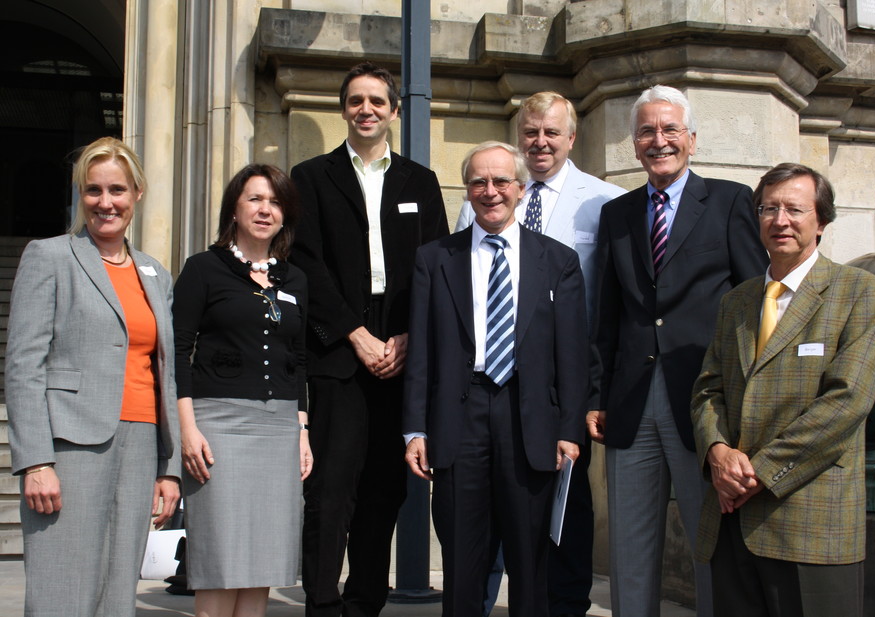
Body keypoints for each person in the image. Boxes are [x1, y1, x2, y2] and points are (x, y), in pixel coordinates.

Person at [586, 85, 769, 617]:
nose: (658, 140)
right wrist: (596, 394)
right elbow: (608, 314)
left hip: (705, 401)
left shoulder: (731, 200)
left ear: (692, 139)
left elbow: (755, 301)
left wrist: (745, 398)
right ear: (635, 144)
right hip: (631, 399)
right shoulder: (617, 214)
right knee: (630, 544)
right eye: (647, 131)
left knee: (710, 540)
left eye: (669, 130)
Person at [691, 163, 875, 617]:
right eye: (769, 208)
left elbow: (847, 402)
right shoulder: (737, 301)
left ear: (821, 221)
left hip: (810, 521)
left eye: (795, 209)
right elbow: (708, 389)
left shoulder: (861, 293)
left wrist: (757, 473)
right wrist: (718, 453)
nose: (780, 220)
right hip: (731, 521)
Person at [456, 91, 625, 617]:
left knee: (565, 514)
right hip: (492, 386)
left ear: (572, 138)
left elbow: (612, 306)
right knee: (486, 513)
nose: (541, 141)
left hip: (564, 389)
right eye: (531, 131)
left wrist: (591, 398)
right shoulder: (481, 199)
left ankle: (565, 607)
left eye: (552, 132)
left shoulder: (604, 202)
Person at [289, 61, 448, 617]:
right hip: (337, 349)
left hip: (402, 350)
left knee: (386, 491)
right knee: (331, 492)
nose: (366, 110)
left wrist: (408, 337)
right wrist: (354, 334)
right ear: (343, 109)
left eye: (377, 101)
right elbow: (305, 264)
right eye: (356, 100)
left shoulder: (420, 182)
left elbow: (437, 267)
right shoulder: (310, 178)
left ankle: (364, 605)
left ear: (394, 111)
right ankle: (323, 603)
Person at [404, 141, 589, 617]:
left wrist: (569, 431)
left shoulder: (559, 260)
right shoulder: (434, 258)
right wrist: (415, 429)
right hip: (458, 419)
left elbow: (571, 355)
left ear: (521, 189)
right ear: (467, 191)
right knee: (462, 560)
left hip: (530, 422)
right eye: (479, 183)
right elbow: (422, 350)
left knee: (530, 561)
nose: (491, 192)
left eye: (501, 181)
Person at [5, 136, 181, 616]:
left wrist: (169, 466)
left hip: (141, 442)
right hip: (70, 445)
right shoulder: (51, 256)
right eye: (94, 190)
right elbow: (23, 366)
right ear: (80, 195)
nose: (106, 203)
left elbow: (165, 373)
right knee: (63, 588)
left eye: (117, 190)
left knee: (117, 592)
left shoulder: (154, 273)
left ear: (137, 194)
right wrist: (36, 460)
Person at [173, 164, 311, 617]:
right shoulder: (203, 268)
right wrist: (187, 429)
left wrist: (302, 430)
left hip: (278, 431)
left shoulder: (294, 279)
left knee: (262, 564)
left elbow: (299, 359)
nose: (265, 210)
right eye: (255, 199)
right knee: (220, 561)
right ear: (234, 207)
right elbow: (178, 351)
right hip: (219, 428)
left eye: (274, 202)